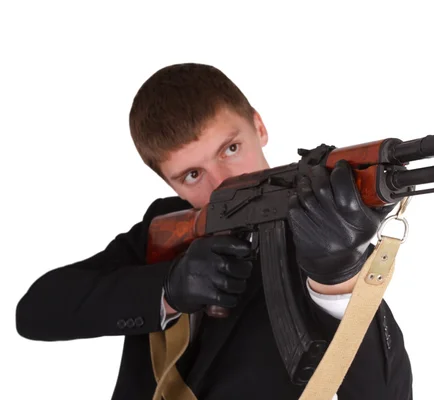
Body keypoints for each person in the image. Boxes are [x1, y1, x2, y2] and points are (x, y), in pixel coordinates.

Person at [15, 63, 413, 399]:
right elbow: (34, 312)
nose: (221, 182)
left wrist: (339, 281)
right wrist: (167, 291)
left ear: (258, 126)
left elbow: (384, 391)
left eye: (230, 149)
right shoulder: (168, 233)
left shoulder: (327, 231)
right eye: (192, 174)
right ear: (168, 183)